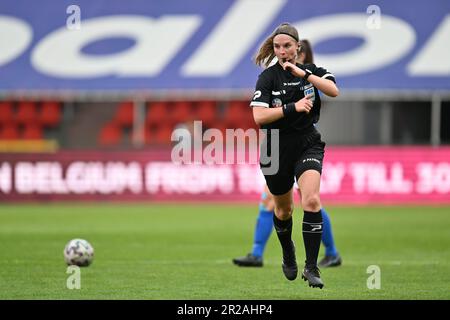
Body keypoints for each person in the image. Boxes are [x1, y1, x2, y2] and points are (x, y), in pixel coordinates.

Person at [233, 40, 342, 270]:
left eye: (289, 48)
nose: (284, 53)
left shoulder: (308, 76)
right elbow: (261, 116)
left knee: (309, 200)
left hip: (302, 145)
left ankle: (259, 253)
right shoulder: (272, 78)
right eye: (279, 48)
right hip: (277, 148)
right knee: (281, 201)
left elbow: (331, 91)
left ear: (298, 53)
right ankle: (259, 252)